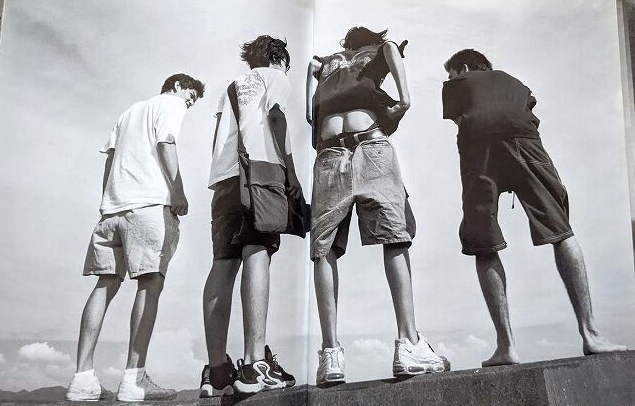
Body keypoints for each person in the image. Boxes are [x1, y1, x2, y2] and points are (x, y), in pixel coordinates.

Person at [442, 48, 627, 367]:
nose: (451, 78)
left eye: (452, 73)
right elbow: (530, 109)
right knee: (562, 230)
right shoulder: (516, 82)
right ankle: (591, 334)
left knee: (483, 241)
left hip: (478, 146)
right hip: (525, 141)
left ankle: (506, 346)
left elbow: (462, 121)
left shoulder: (457, 84)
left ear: (466, 68)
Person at [306, 26, 449, 386]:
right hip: (371, 146)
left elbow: (311, 101)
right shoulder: (375, 51)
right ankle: (409, 343)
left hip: (329, 153)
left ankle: (330, 354)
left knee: (324, 250)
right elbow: (391, 48)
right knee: (395, 239)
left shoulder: (326, 64)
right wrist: (404, 99)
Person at [65, 74, 205, 401]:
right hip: (149, 205)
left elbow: (110, 159)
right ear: (177, 86)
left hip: (113, 209)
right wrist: (178, 191)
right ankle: (134, 379)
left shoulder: (128, 113)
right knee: (150, 283)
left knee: (104, 285)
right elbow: (166, 142)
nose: (190, 103)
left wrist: (108, 200)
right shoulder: (169, 104)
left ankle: (82, 378)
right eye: (191, 96)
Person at [201, 35, 300, 397]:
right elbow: (276, 116)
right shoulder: (276, 77)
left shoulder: (231, 86)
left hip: (224, 179)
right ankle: (255, 362)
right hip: (261, 170)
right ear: (279, 58)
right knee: (257, 252)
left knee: (223, 263)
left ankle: (216, 370)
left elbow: (218, 136)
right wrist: (291, 173)